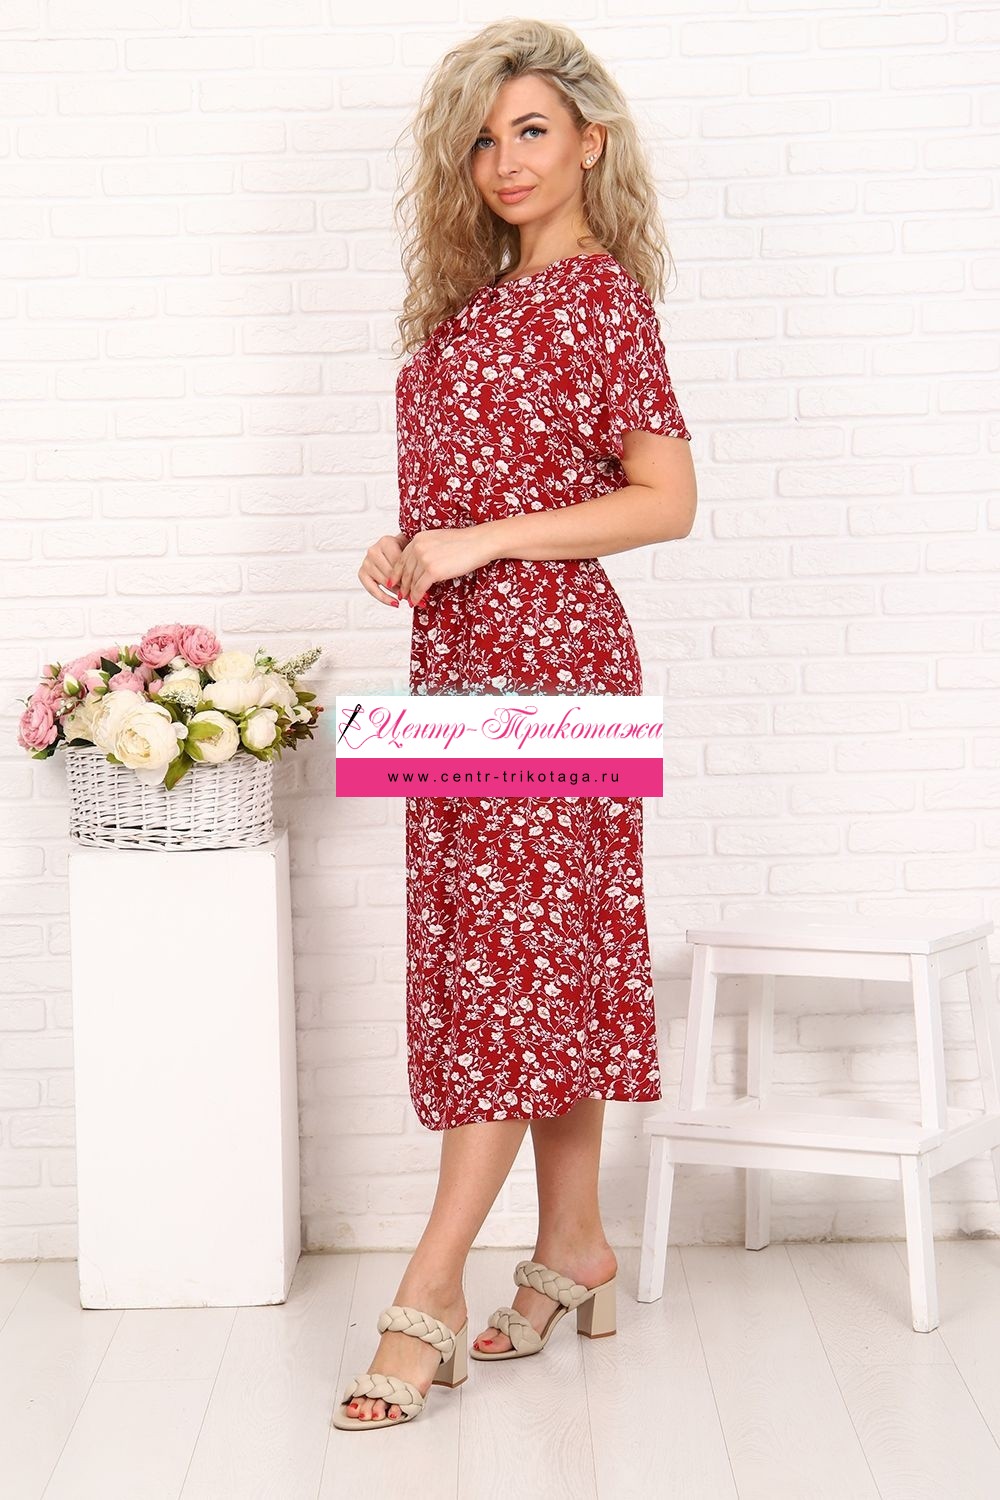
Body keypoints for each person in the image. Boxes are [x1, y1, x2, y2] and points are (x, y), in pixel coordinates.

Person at [336, 17, 696, 1430]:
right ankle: (575, 1248)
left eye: (533, 130)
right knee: (529, 957)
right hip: (455, 662)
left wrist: (482, 542)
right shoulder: (467, 310)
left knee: (510, 968)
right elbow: (471, 497)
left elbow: (665, 502)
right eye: (484, 139)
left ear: (591, 141)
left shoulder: (604, 299)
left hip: (556, 660)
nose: (506, 161)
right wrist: (411, 546)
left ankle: (428, 1288)